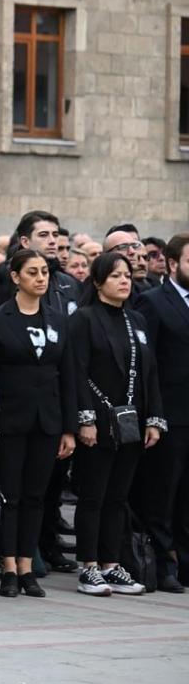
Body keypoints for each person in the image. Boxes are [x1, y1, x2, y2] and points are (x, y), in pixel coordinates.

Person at [68, 252, 164, 597]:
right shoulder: (84, 320)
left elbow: (150, 373)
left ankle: (111, 564)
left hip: (131, 422)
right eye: (115, 276)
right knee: (93, 495)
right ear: (98, 282)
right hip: (98, 420)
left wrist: (154, 418)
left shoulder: (136, 320)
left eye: (127, 276)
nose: (124, 281)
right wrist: (85, 420)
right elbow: (76, 373)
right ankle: (88, 566)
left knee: (118, 497)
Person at [0, 249, 75, 598]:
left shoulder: (57, 319)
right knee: (11, 495)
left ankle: (27, 565)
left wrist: (68, 427)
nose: (41, 278)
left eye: (45, 272)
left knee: (37, 496)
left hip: (47, 421)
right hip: (10, 420)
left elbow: (66, 375)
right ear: (15, 277)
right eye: (33, 272)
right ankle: (7, 566)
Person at [133, 231, 189, 593]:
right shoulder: (154, 302)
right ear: (173, 264)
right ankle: (163, 561)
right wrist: (152, 414)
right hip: (169, 414)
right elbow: (145, 364)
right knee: (162, 492)